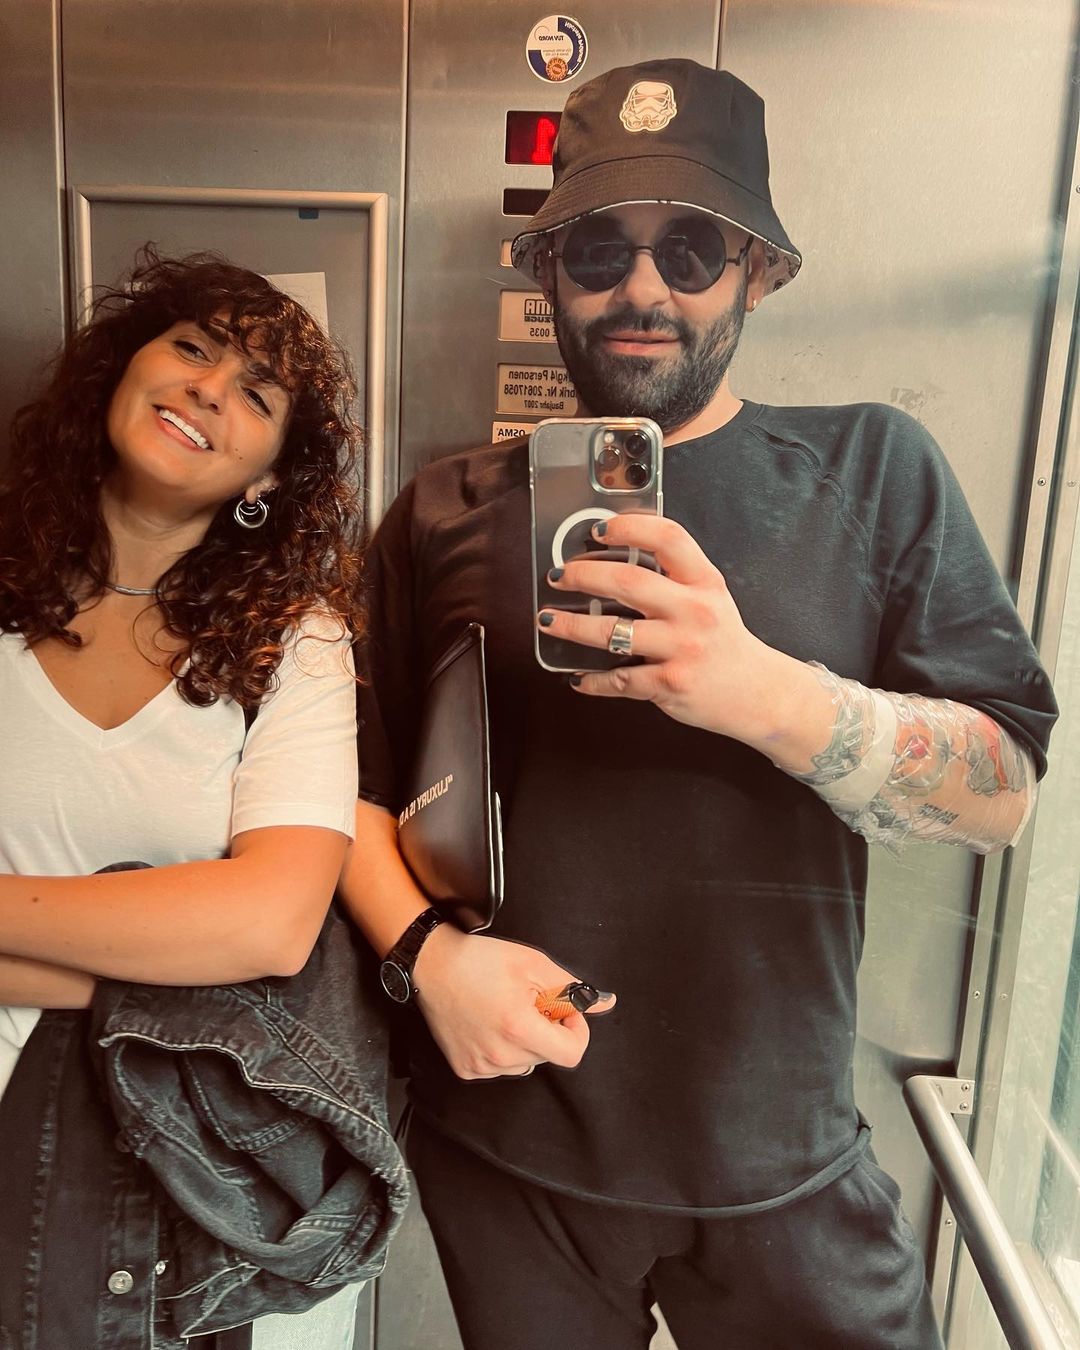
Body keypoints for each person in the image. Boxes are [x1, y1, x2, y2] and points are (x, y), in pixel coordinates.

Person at [340, 59, 1058, 1350]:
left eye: (691, 249)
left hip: (784, 1155)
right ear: (546, 273)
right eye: (597, 250)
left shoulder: (869, 468)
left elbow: (1001, 793)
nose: (642, 289)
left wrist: (765, 694)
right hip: (508, 1140)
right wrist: (426, 958)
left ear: (758, 273)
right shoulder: (445, 506)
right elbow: (344, 792)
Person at [0, 249, 373, 1349]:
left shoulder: (297, 644)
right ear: (121, 371)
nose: (209, 389)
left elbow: (270, 923)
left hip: (167, 1163)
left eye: (257, 394)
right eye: (193, 349)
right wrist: (170, 967)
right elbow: (222, 956)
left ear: (269, 478)